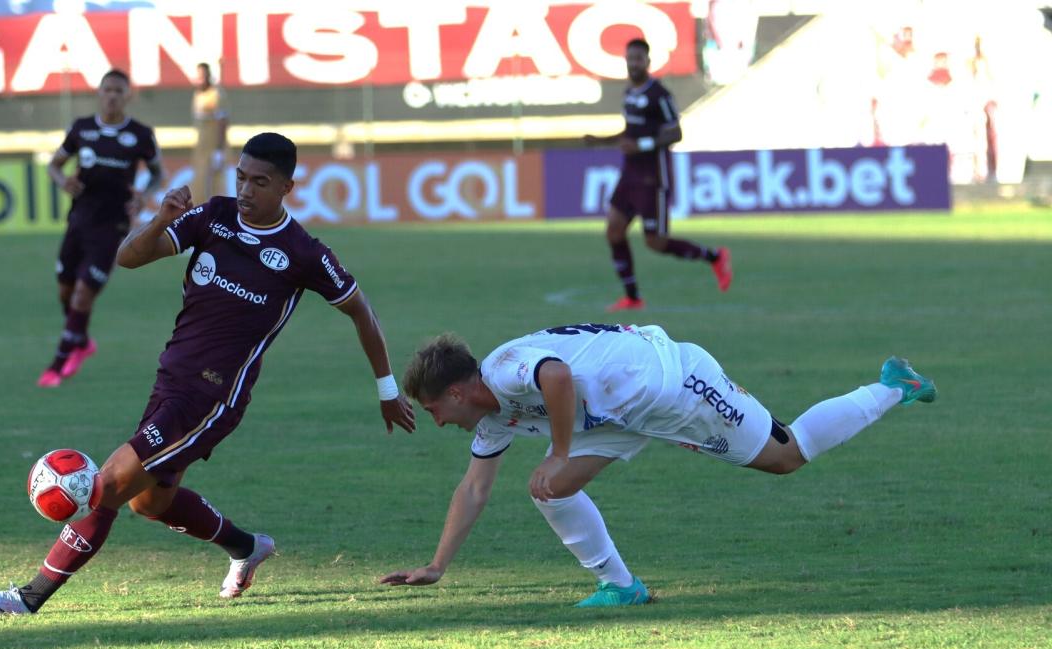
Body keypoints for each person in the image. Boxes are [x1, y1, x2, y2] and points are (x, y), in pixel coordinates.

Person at [0, 133, 417, 615]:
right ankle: (247, 547)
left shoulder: (303, 252)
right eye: (241, 177)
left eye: (259, 182)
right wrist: (161, 218)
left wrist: (387, 389)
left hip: (211, 398)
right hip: (171, 381)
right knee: (151, 504)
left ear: (287, 185)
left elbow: (361, 311)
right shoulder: (213, 217)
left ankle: (29, 599)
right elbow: (130, 257)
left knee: (108, 487)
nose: (245, 190)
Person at [379, 322, 935, 606]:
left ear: (456, 392)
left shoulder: (502, 370)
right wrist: (437, 565)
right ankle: (620, 587)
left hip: (670, 385)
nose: (436, 421)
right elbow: (474, 489)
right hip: (621, 413)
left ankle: (893, 387)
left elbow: (558, 377)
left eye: (432, 410)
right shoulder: (492, 417)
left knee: (786, 457)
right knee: (548, 487)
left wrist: (564, 450)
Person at [38, 68, 165, 388]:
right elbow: (54, 165)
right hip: (79, 220)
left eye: (118, 91)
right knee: (65, 290)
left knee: (83, 294)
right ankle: (80, 339)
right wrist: (62, 181)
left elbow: (156, 174)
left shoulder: (140, 134)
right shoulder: (81, 129)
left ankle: (58, 363)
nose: (112, 96)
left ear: (128, 96)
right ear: (99, 92)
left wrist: (143, 198)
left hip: (113, 226)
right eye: (107, 89)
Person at [584, 38, 732, 312]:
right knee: (614, 231)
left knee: (656, 242)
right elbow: (630, 132)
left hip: (654, 178)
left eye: (638, 58)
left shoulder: (660, 95)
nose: (633, 63)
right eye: (630, 58)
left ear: (648, 62)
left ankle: (715, 257)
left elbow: (676, 132)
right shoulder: (629, 94)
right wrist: (602, 140)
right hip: (630, 174)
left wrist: (643, 145)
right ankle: (633, 297)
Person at [190, 62, 229, 204]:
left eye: (202, 76)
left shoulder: (216, 94)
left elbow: (222, 122)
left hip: (213, 147)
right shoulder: (198, 94)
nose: (200, 79)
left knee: (216, 184)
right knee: (199, 183)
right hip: (201, 147)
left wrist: (219, 150)